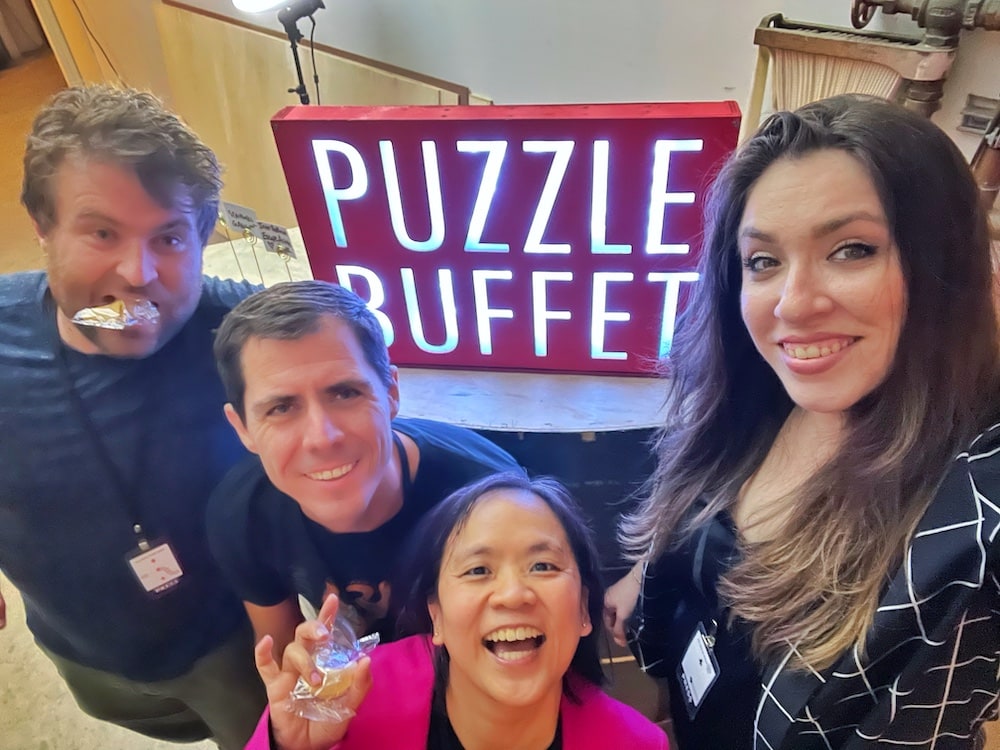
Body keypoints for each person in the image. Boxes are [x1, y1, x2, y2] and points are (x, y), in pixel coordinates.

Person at [602, 93, 1000, 749]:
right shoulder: (758, 395)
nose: (794, 303)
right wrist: (648, 570)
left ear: (946, 262)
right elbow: (707, 517)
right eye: (764, 260)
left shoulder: (974, 493)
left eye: (851, 249)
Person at [0, 85, 265, 747]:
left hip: (230, 643)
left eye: (170, 237)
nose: (137, 273)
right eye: (101, 232)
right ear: (42, 227)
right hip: (75, 644)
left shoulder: (246, 332)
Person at [207, 280, 519, 662]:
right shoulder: (241, 516)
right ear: (242, 428)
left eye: (345, 393)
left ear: (390, 393)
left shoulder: (490, 495)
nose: (322, 438)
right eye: (281, 408)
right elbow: (282, 655)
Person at [247, 471, 669, 750]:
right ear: (437, 616)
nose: (512, 594)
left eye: (543, 566)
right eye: (478, 569)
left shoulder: (634, 743)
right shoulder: (348, 699)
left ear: (583, 611)